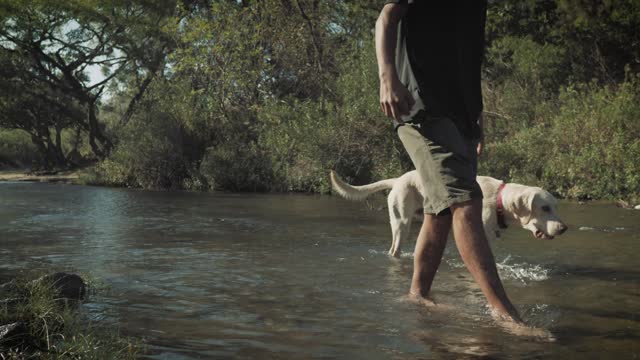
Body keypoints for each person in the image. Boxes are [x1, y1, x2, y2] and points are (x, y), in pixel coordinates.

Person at [375, 0, 545, 335]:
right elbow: (387, 15)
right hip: (419, 104)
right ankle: (504, 313)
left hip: (460, 113)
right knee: (466, 199)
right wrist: (387, 76)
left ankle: (417, 296)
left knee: (439, 211)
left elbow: (467, 56)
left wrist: (475, 113)